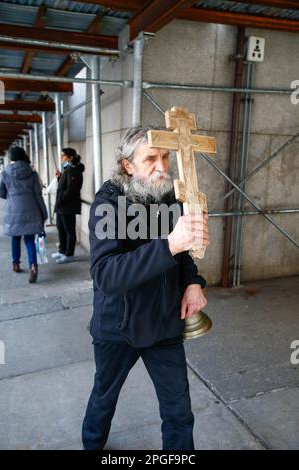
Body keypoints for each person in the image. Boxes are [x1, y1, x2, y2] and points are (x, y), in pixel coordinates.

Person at [82, 127, 210, 450]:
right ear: (128, 165)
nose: (162, 166)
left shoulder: (168, 195)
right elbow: (106, 275)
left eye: (165, 157)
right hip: (118, 326)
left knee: (179, 412)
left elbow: (182, 255)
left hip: (165, 323)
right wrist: (169, 245)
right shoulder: (107, 202)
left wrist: (193, 281)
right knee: (103, 399)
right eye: (151, 159)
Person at [0, 146, 48, 283]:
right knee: (29, 240)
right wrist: (44, 213)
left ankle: (16, 263)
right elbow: (38, 195)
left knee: (15, 238)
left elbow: (1, 192)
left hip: (13, 210)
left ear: (12, 158)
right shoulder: (32, 173)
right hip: (31, 210)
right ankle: (33, 265)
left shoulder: (5, 173)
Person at [52, 147, 85, 264]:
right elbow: (66, 184)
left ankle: (69, 254)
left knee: (69, 230)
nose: (61, 158)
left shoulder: (74, 170)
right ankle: (62, 251)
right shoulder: (68, 169)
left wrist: (61, 199)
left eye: (63, 156)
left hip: (68, 206)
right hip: (62, 206)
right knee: (61, 228)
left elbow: (72, 190)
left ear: (70, 157)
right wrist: (60, 177)